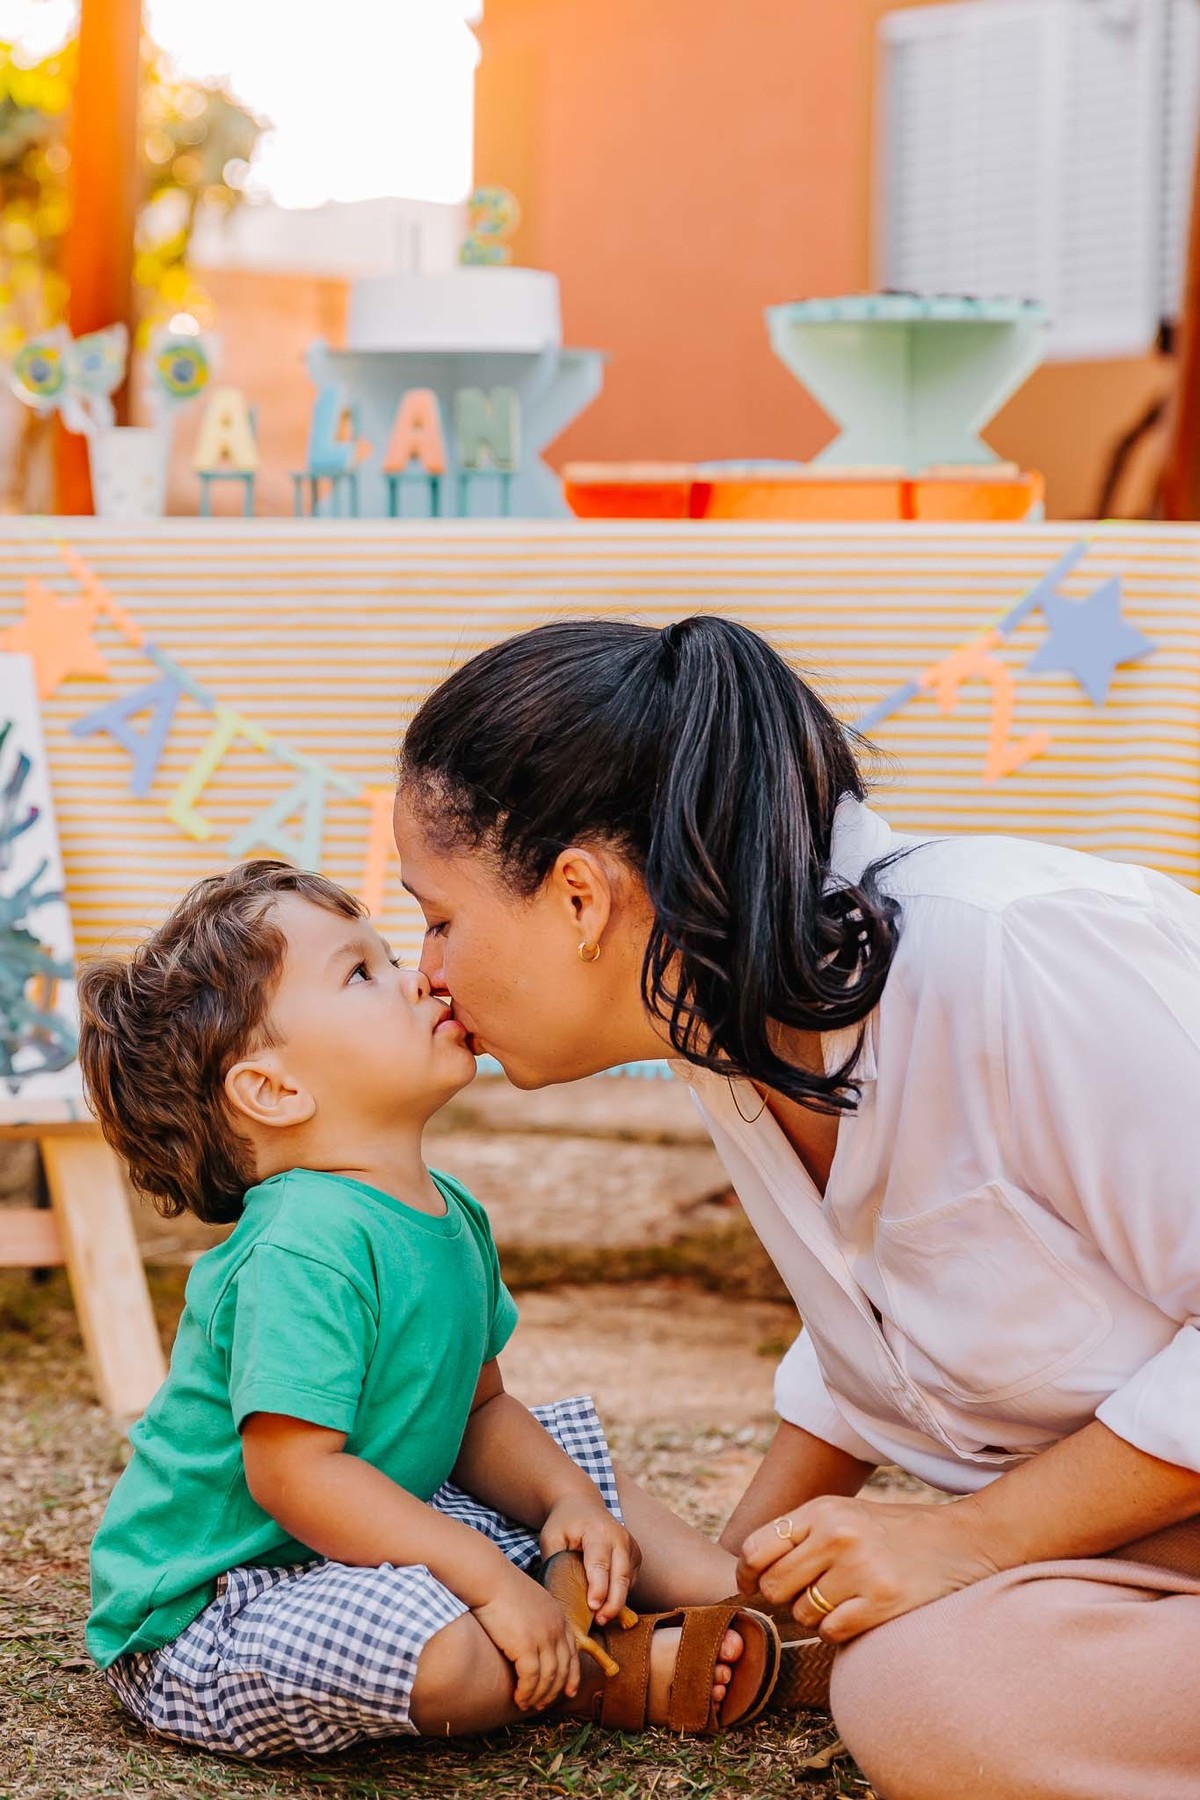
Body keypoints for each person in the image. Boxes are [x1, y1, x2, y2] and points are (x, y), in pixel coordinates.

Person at [394, 613, 1200, 1800]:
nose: (426, 974)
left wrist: (966, 1541)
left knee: (929, 1693)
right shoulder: (729, 1022)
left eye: (438, 919)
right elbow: (878, 1324)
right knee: (927, 1676)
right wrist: (738, 1596)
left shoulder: (1016, 953)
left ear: (579, 898)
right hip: (1148, 1547)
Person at [77, 859, 794, 1759]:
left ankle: (758, 1603)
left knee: (586, 1479)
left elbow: (479, 1414)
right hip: (222, 1605)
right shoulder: (300, 1243)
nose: (416, 976)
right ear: (274, 1090)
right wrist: (486, 1576)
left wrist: (568, 1500)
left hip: (362, 1536)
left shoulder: (449, 1213)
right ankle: (593, 1672)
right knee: (444, 1654)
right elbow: (295, 1478)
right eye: (361, 973)